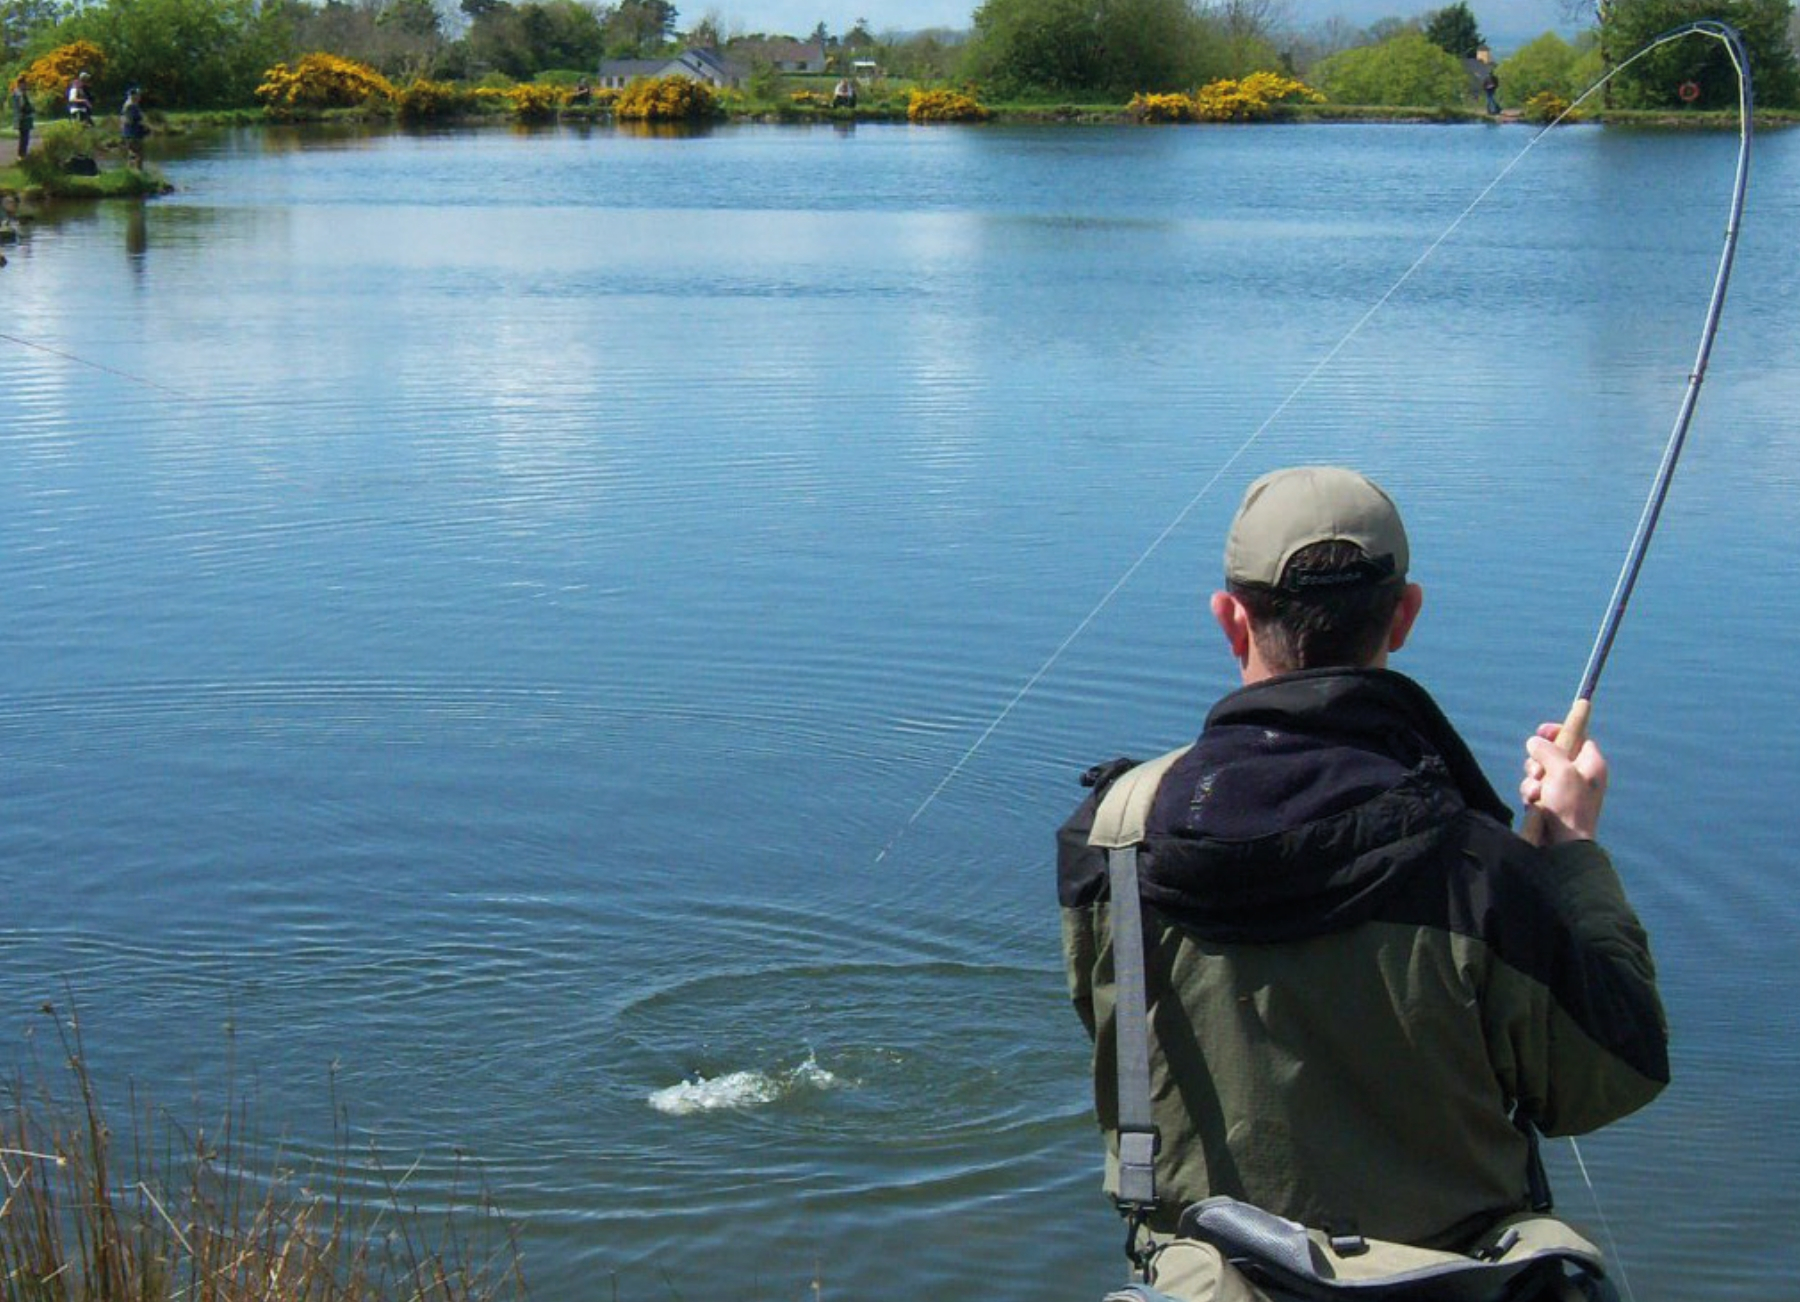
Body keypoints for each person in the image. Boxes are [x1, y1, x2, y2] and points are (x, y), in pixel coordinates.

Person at [1058, 465, 1668, 1256]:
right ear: (1405, 616)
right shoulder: (1479, 865)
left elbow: (1107, 1026)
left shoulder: (1110, 836)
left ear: (1231, 621)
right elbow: (1614, 1074)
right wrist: (1574, 854)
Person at [119, 85, 148, 169]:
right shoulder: (130, 106)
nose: (140, 96)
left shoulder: (132, 105)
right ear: (133, 95)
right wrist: (141, 124)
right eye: (138, 94)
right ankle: (138, 173)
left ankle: (132, 172)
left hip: (131, 133)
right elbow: (129, 120)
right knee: (138, 154)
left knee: (133, 154)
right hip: (132, 133)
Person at [9, 76, 32, 160]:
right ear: (20, 84)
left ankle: (23, 154)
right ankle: (21, 155)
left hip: (24, 118)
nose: (26, 85)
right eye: (24, 83)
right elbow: (22, 106)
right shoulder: (19, 93)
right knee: (24, 137)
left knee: (26, 137)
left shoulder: (21, 93)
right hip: (22, 118)